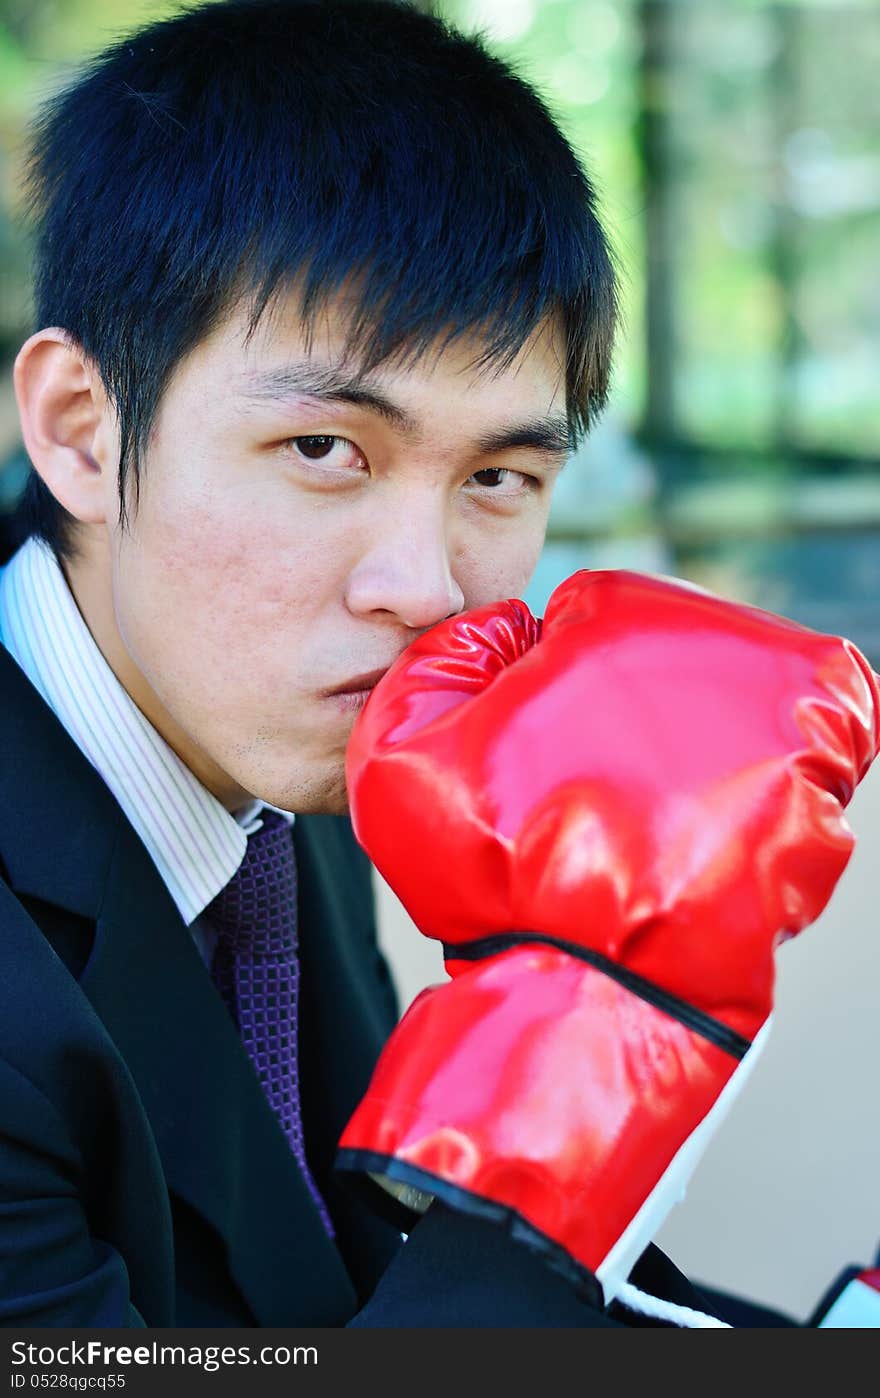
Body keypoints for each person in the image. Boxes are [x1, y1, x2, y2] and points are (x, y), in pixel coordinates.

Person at [0, 0, 872, 1329]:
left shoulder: (275, 768)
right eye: (323, 451)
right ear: (78, 428)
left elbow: (347, 1282)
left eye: (499, 475)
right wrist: (575, 1051)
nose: (421, 589)